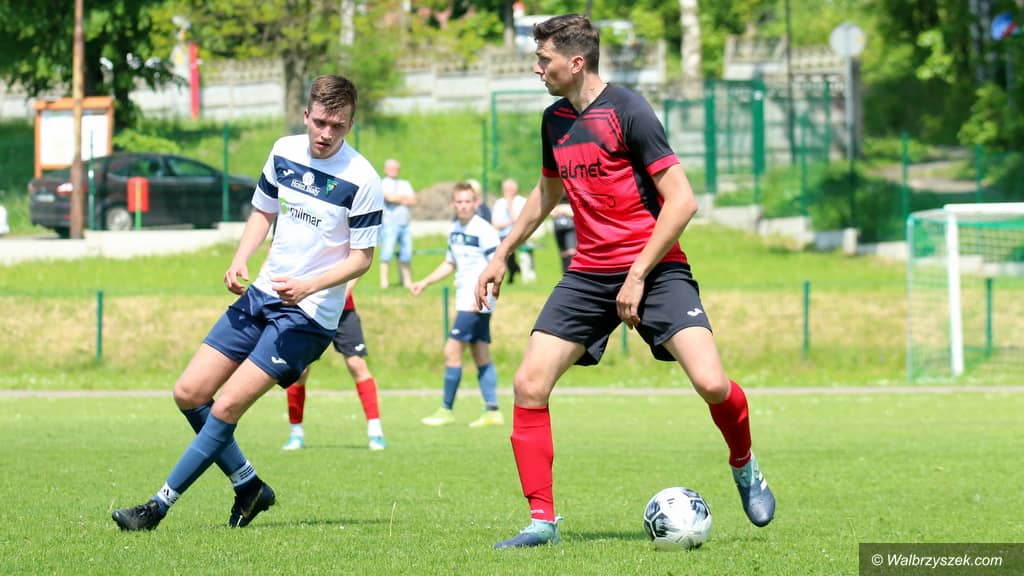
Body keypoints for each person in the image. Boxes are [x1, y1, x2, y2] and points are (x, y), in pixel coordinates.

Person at [475, 14, 775, 549]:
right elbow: (547, 192)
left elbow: (682, 201)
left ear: (576, 62)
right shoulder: (553, 121)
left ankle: (744, 463)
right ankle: (542, 522)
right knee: (529, 384)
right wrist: (502, 252)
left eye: (543, 59)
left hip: (656, 268)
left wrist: (636, 275)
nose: (537, 69)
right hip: (589, 272)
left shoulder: (629, 111)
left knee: (711, 382)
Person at [111, 74, 383, 531]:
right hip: (261, 295)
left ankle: (157, 507)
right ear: (306, 115)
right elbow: (263, 211)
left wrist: (309, 285)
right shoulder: (283, 151)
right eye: (320, 122)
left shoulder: (363, 178)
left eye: (337, 126)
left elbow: (362, 259)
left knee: (224, 408)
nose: (326, 134)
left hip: (307, 317)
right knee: (189, 393)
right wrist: (241, 257)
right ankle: (249, 486)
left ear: (350, 124)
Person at [411, 181, 504, 428]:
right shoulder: (454, 229)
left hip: (475, 302)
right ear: (453, 204)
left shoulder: (484, 230)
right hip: (465, 299)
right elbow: (450, 263)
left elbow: (497, 265)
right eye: (459, 202)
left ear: (476, 203)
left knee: (451, 351)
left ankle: (446, 409)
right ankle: (493, 411)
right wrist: (425, 282)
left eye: (468, 202)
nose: (463, 206)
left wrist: (485, 298)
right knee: (479, 351)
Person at [282, 279, 387, 452]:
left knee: (356, 364)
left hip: (343, 311)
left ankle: (376, 433)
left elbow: (358, 266)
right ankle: (296, 434)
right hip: (311, 311)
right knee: (300, 371)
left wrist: (345, 291)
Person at [379, 158, 416, 289]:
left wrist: (397, 198)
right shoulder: (382, 183)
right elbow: (388, 197)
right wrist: (404, 198)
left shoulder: (405, 183)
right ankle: (384, 282)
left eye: (395, 168)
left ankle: (407, 281)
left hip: (405, 223)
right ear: (385, 169)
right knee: (387, 253)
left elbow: (413, 200)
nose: (394, 170)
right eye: (391, 168)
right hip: (389, 223)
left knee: (406, 253)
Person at [549, 195, 576, 273]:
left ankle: (572, 272)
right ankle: (565, 272)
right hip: (558, 224)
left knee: (571, 251)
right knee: (563, 252)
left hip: (571, 223)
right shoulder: (555, 191)